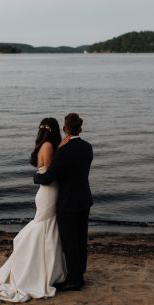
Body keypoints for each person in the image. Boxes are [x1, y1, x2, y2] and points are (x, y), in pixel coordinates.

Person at [0, 117, 66, 302]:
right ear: (54, 131)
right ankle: (36, 270)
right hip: (49, 191)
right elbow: (53, 174)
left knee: (46, 225)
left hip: (46, 192)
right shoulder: (48, 147)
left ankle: (47, 268)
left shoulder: (43, 146)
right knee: (44, 226)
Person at [33, 113, 93, 291]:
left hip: (67, 202)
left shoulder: (62, 152)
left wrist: (35, 177)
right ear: (80, 129)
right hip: (84, 200)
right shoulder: (88, 147)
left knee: (69, 241)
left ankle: (74, 280)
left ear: (65, 128)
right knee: (81, 238)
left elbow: (48, 178)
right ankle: (80, 273)